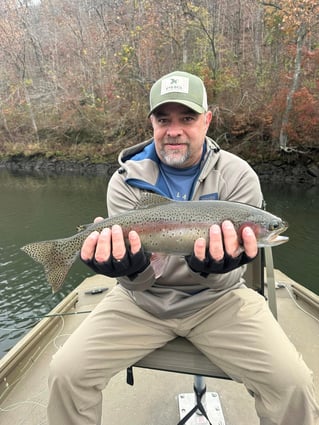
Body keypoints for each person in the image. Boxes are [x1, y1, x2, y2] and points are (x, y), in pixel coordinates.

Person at [47, 71, 319, 425]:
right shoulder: (125, 180)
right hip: (140, 303)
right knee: (65, 374)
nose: (174, 129)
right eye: (164, 119)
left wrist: (216, 266)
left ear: (207, 120)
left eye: (187, 118)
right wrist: (129, 268)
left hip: (218, 300)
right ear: (152, 123)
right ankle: (61, 253)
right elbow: (140, 281)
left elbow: (231, 272)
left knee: (293, 383)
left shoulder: (238, 176)